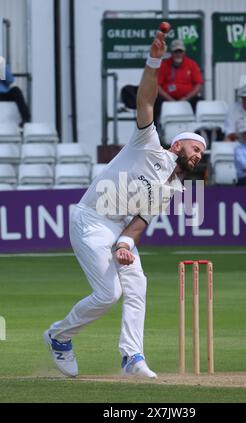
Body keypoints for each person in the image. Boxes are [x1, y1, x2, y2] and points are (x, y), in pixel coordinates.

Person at [44, 29, 206, 379]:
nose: (199, 156)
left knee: (137, 284)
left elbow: (140, 221)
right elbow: (146, 101)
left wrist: (124, 244)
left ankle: (131, 357)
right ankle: (59, 335)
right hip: (90, 219)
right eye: (196, 149)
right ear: (178, 146)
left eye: (202, 154)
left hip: (116, 228)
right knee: (108, 294)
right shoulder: (147, 143)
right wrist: (154, 61)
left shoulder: (174, 186)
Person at [154, 39, 204, 127]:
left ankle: (197, 129)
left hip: (188, 98)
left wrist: (186, 98)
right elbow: (157, 86)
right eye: (175, 52)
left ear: (184, 52)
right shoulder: (164, 64)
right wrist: (170, 99)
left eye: (180, 51)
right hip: (167, 98)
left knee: (199, 102)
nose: (178, 54)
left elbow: (198, 84)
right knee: (154, 103)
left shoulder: (191, 64)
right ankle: (155, 131)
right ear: (171, 53)